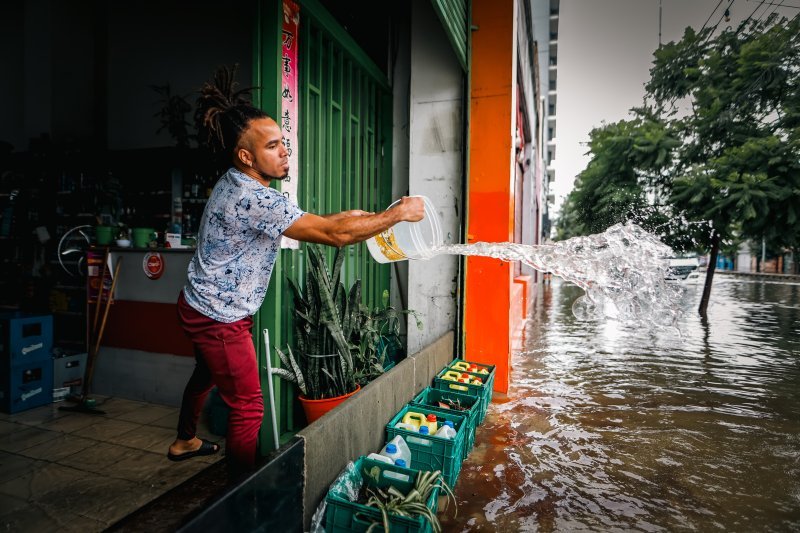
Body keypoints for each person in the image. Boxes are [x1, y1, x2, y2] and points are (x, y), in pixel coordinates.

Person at [166, 78, 424, 473]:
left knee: (205, 374)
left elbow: (317, 223)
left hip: (198, 302)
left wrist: (363, 218)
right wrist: (396, 215)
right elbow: (331, 235)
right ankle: (242, 497)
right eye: (272, 146)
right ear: (246, 157)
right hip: (219, 315)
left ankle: (185, 439)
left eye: (282, 141)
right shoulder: (254, 197)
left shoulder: (237, 181)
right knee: (249, 406)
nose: (284, 151)